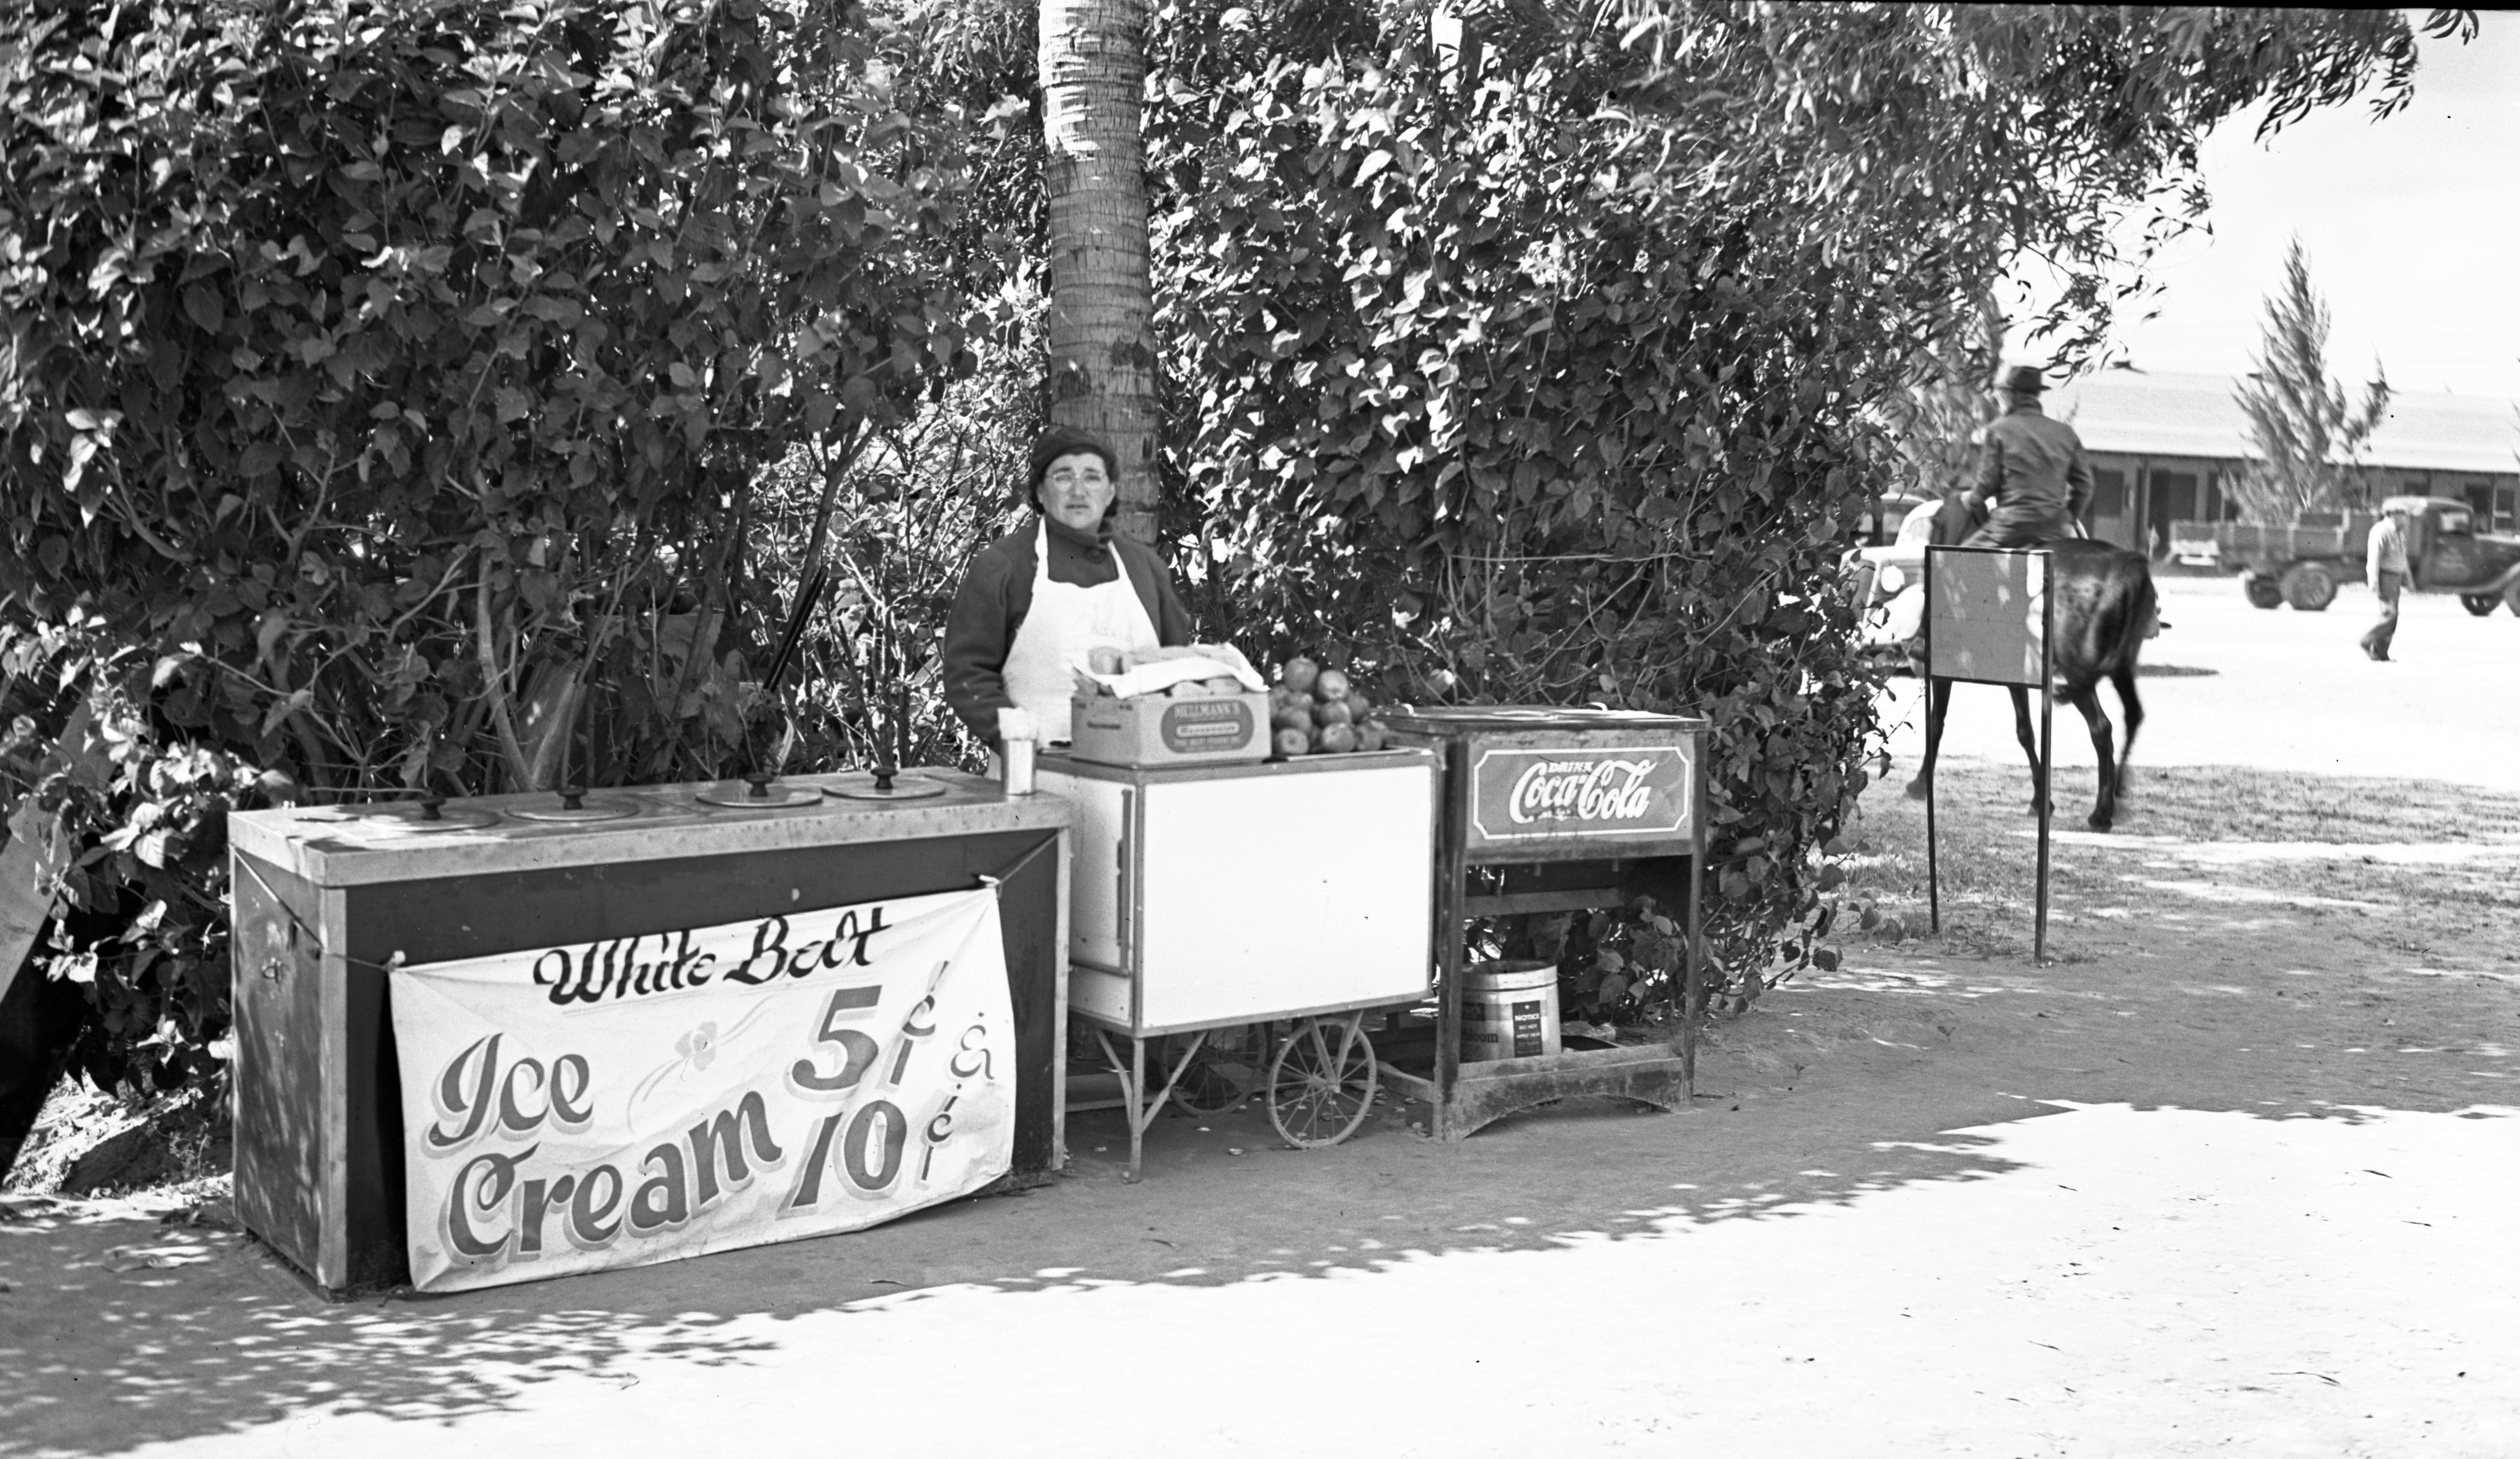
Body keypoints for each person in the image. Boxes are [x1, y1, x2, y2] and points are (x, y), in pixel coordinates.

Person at [942, 429, 1196, 745]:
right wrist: (1017, 737)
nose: (1078, 491)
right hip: (1034, 775)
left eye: (1092, 477)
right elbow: (967, 675)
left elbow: (1176, 665)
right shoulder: (1002, 566)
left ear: (1111, 491)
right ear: (1039, 491)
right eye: (1063, 477)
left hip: (1137, 766)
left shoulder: (1145, 567)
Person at [1961, 365, 2092, 549]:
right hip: (2055, 527)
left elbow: (1986, 485)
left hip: (2010, 526)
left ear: (2014, 395)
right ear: (2036, 395)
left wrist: (1972, 498)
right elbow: (2085, 486)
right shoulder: (2066, 433)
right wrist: (2068, 518)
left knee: (1960, 559)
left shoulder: (1999, 430)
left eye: (2007, 394)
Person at [2360, 500, 2411, 662]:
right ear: (2393, 514)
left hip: (2395, 578)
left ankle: (2380, 653)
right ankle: (2367, 641)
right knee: (2390, 615)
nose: (2406, 518)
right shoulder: (2381, 531)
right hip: (2385, 577)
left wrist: (2408, 580)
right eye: (2403, 515)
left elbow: (2402, 557)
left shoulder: (2398, 532)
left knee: (2392, 619)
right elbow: (2374, 556)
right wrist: (2373, 579)